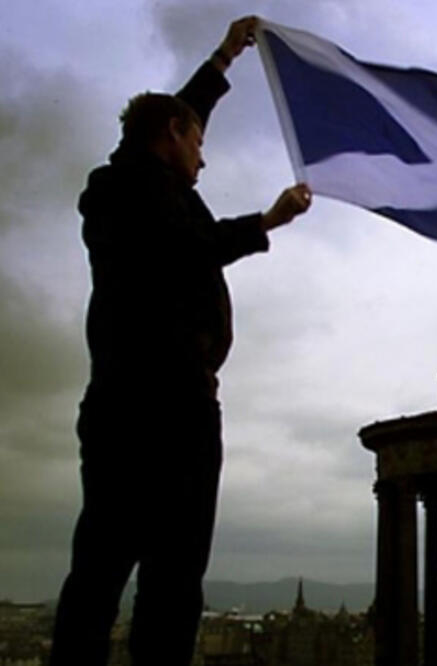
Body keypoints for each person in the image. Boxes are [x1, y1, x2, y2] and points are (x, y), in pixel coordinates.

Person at [50, 17, 311, 665]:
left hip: (166, 404)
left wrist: (224, 58)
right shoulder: (118, 192)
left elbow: (180, 114)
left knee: (161, 577)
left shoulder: (143, 180)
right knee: (119, 577)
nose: (205, 152)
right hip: (151, 408)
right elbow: (182, 248)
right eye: (197, 139)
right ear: (169, 136)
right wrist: (265, 221)